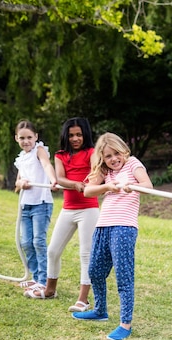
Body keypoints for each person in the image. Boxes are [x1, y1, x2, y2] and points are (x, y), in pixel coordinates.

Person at [70, 132, 153, 340]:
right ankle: (100, 310)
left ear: (124, 150)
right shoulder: (106, 171)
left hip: (124, 227)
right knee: (95, 270)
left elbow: (148, 186)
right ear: (102, 158)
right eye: (108, 156)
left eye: (116, 154)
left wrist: (132, 186)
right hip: (103, 225)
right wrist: (107, 186)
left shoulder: (133, 163)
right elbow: (89, 191)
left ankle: (125, 324)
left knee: (123, 276)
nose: (113, 159)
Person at [24, 118, 100, 309]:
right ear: (66, 136)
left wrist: (89, 183)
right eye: (71, 135)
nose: (75, 138)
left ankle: (83, 298)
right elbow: (60, 178)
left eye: (79, 135)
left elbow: (94, 173)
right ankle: (50, 290)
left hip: (89, 209)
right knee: (52, 250)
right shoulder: (60, 155)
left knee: (85, 254)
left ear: (85, 135)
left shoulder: (92, 153)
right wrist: (74, 184)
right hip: (68, 209)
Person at [14, 120, 58, 293]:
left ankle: (43, 279)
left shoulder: (39, 150)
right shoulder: (21, 158)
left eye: (29, 137)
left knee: (38, 242)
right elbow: (17, 182)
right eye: (22, 138)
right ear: (16, 138)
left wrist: (53, 180)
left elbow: (47, 165)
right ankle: (35, 277)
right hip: (25, 206)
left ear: (36, 137)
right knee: (26, 242)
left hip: (41, 204)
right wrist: (21, 183)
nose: (26, 141)